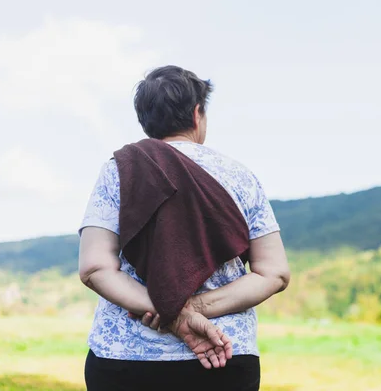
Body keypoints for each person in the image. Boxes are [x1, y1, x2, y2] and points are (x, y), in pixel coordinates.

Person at [78, 65, 290, 391]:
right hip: (222, 355)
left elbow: (94, 267)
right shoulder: (240, 176)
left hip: (125, 361)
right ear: (197, 114)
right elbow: (274, 273)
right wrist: (193, 310)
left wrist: (173, 311)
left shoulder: (118, 170)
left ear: (145, 121)